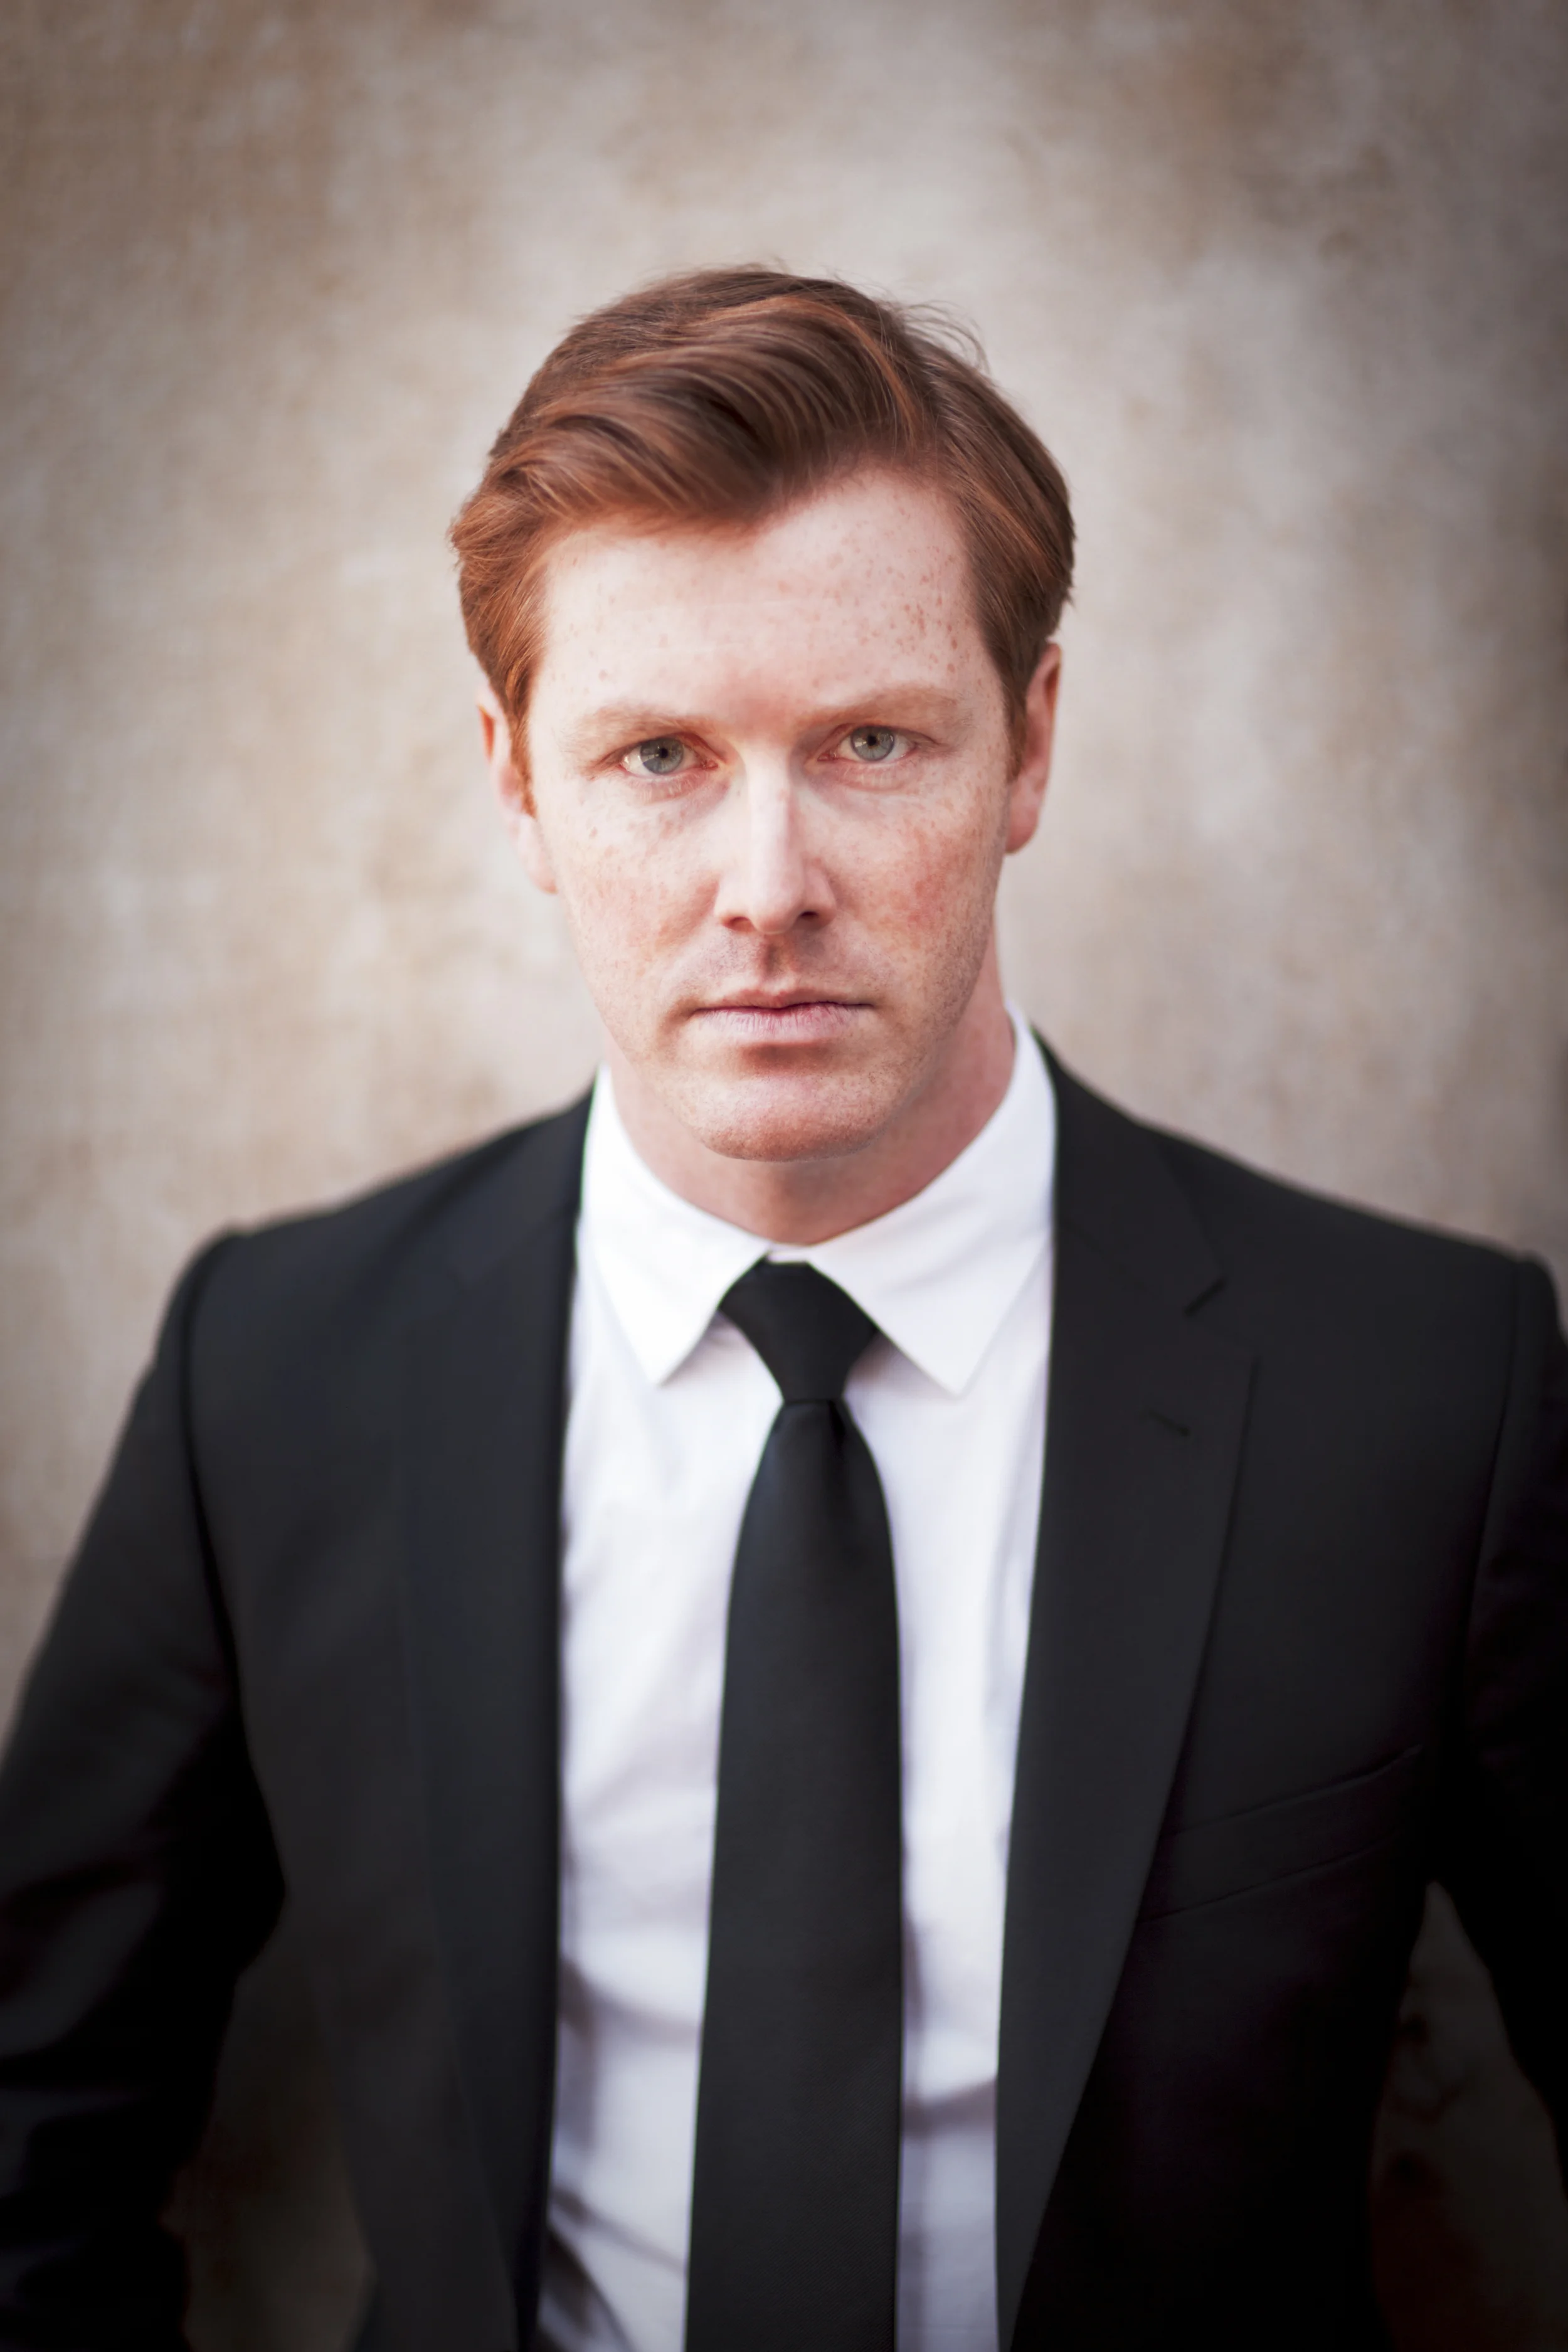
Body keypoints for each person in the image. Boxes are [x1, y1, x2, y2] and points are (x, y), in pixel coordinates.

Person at [0, 267, 1563, 2352]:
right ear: (516, 783)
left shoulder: (1427, 1395)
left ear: (1028, 744)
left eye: (870, 743)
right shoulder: (269, 1373)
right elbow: (31, 2126)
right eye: (657, 753)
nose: (766, 882)